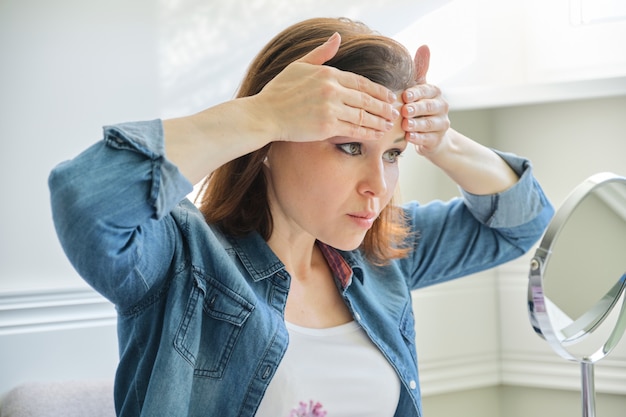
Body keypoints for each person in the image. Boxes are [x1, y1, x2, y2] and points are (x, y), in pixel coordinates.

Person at [49, 17, 553, 417]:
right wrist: (260, 114)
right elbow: (86, 200)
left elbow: (521, 223)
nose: (378, 185)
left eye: (394, 154)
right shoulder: (182, 260)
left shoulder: (380, 261)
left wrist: (440, 140)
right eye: (350, 146)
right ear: (272, 143)